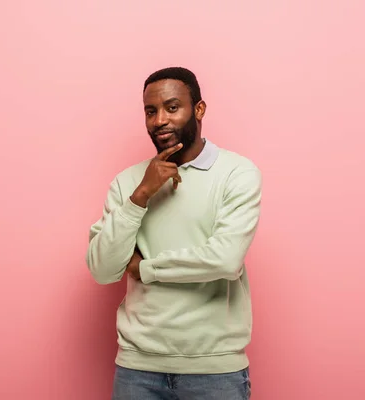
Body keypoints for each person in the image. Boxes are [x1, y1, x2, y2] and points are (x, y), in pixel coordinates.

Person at [85, 66, 262, 400]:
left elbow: (224, 260)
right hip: (138, 369)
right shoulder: (128, 182)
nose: (160, 120)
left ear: (199, 109)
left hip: (215, 371)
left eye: (172, 107)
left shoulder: (237, 173)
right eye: (151, 112)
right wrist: (140, 197)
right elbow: (102, 269)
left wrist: (144, 268)